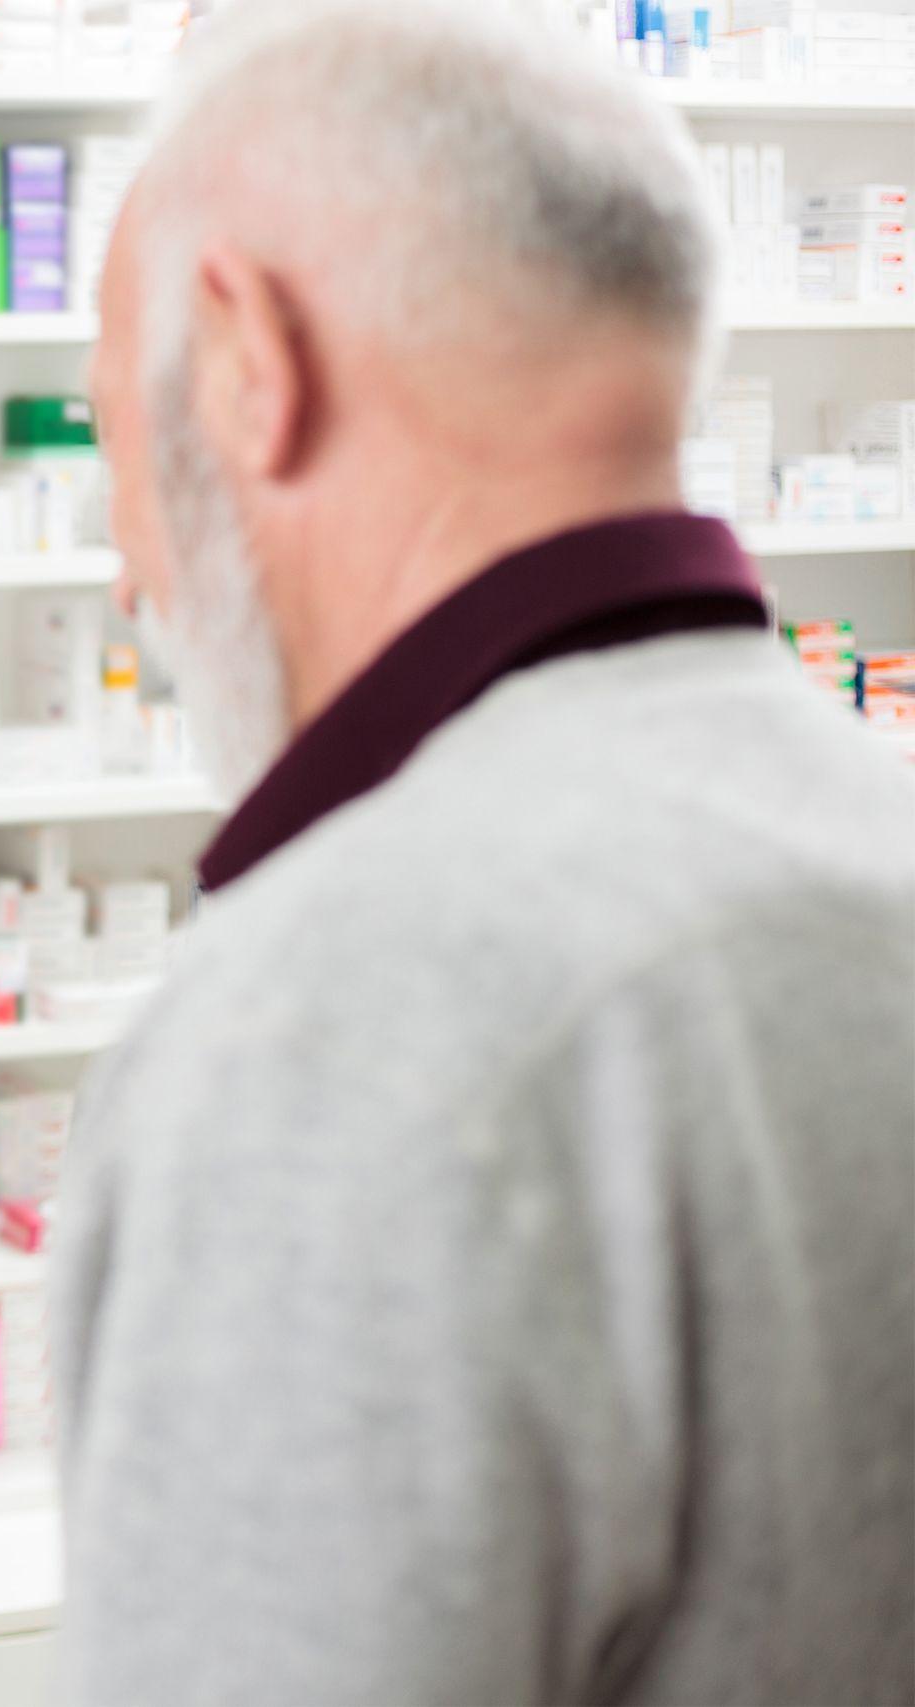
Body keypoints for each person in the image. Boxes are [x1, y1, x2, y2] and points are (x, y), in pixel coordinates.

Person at [50, 3, 915, 1703]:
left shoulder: (343, 1024)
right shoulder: (873, 834)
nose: (130, 564)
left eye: (110, 440)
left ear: (245, 362)